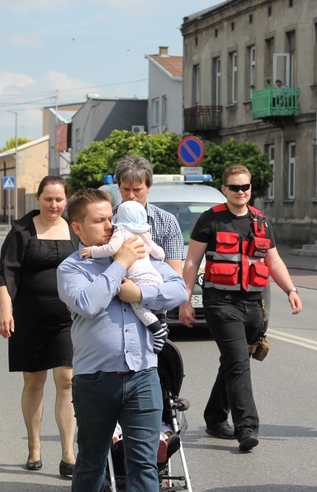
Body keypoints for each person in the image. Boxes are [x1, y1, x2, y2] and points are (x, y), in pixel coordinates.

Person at [56, 189, 187, 492]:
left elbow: (179, 290)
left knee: (144, 463)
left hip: (143, 374)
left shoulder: (140, 252)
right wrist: (120, 264)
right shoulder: (72, 268)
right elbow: (88, 303)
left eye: (110, 218)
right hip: (95, 379)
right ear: (77, 228)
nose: (109, 226)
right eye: (99, 220)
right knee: (92, 461)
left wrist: (141, 295)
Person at [180, 164, 303, 452]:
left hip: (253, 304)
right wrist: (184, 300)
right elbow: (191, 263)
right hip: (220, 303)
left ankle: (213, 417)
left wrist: (291, 290)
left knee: (232, 363)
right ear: (224, 189)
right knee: (238, 364)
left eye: (245, 187)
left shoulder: (260, 221)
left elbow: (273, 261)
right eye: (234, 187)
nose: (240, 192)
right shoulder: (210, 220)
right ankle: (246, 427)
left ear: (250, 189)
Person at [0, 175, 80, 476]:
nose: (54, 205)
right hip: (28, 318)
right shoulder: (21, 231)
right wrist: (6, 311)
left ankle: (68, 452)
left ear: (66, 200)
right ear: (38, 199)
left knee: (67, 380)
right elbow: (6, 274)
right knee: (34, 381)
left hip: (67, 320)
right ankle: (34, 446)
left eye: (59, 199)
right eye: (48, 199)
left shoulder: (74, 228)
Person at [80, 200, 169, 353]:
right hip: (154, 276)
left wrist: (93, 251)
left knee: (138, 306)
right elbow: (160, 254)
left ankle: (156, 330)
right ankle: (162, 320)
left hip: (138, 277)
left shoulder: (121, 231)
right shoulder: (144, 233)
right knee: (156, 303)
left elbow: (111, 248)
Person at [113, 154, 185, 310]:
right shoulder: (109, 219)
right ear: (118, 187)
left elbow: (175, 281)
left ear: (149, 187)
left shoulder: (166, 222)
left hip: (154, 307)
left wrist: (140, 293)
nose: (131, 196)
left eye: (137, 189)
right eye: (126, 189)